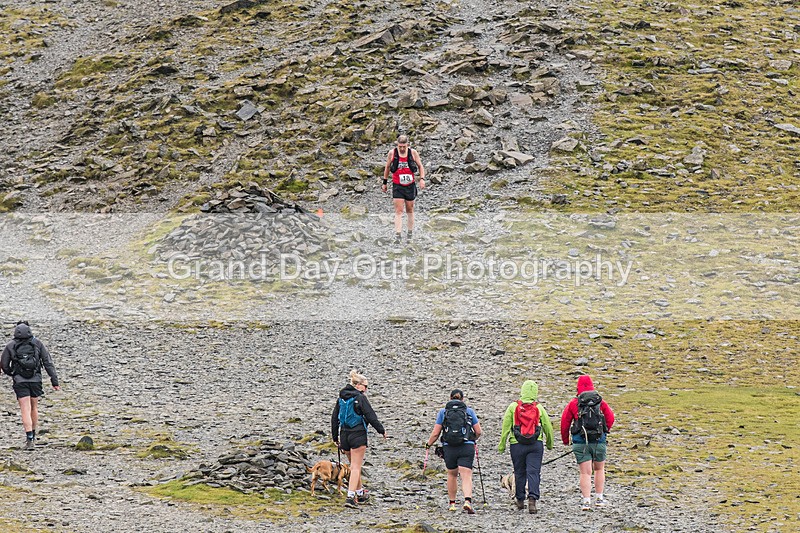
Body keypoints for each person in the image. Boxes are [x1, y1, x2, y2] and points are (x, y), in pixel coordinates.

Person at [1, 321, 60, 451]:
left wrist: (13, 374)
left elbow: (4, 365)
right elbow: (48, 362)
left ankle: (29, 439)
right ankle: (33, 434)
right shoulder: (38, 344)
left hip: (20, 381)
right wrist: (54, 381)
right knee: (34, 407)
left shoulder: (10, 345)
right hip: (36, 380)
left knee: (25, 409)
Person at [331, 369, 387, 508]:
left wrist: (334, 436)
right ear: (357, 385)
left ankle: (360, 493)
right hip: (358, 434)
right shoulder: (360, 397)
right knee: (356, 467)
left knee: (352, 465)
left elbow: (334, 418)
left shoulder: (341, 398)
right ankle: (350, 497)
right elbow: (370, 415)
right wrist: (381, 430)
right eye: (365, 386)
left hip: (344, 435)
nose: (366, 389)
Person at [498, 380, 554, 514]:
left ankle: (520, 499)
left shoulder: (513, 407)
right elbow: (547, 426)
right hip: (535, 444)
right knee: (533, 472)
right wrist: (550, 443)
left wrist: (502, 445)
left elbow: (506, 426)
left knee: (519, 472)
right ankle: (532, 500)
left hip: (516, 444)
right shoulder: (539, 408)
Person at [560, 375, 615, 510]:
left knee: (585, 472)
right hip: (599, 440)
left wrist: (566, 440)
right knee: (599, 469)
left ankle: (586, 501)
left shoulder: (574, 403)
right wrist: (604, 431)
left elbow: (564, 422)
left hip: (580, 441)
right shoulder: (600, 402)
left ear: (578, 387)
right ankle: (599, 498)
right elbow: (611, 418)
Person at [425, 389, 482, 514]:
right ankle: (467, 501)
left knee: (452, 474)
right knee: (466, 475)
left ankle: (452, 503)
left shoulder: (443, 412)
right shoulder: (469, 411)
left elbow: (436, 433)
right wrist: (473, 439)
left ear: (450, 398)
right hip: (466, 446)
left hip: (449, 446)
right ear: (462, 399)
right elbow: (478, 431)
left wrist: (428, 444)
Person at [381, 134, 425, 244]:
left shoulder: (413, 153)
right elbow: (387, 167)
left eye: (403, 147)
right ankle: (398, 235)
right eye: (399, 146)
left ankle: (409, 234)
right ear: (397, 145)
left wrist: (422, 179)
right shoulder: (392, 153)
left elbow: (420, 166)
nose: (401, 149)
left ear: (407, 145)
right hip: (398, 185)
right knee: (399, 211)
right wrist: (385, 182)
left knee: (410, 210)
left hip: (410, 185)